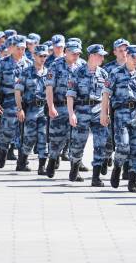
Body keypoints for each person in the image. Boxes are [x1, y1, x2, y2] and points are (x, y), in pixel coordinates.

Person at [101, 45, 136, 193]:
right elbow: (106, 94)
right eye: (134, 57)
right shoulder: (115, 73)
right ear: (127, 56)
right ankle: (117, 167)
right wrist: (104, 113)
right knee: (123, 146)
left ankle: (132, 181)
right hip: (121, 114)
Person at [66, 44, 110, 186]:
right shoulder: (77, 72)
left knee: (100, 144)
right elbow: (70, 95)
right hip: (82, 110)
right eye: (100, 55)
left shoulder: (103, 74)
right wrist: (71, 113)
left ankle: (95, 177)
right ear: (91, 56)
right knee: (78, 144)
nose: (102, 58)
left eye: (103, 55)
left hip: (98, 111)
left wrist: (106, 113)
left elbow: (107, 96)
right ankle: (75, 165)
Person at [0, 35, 32, 168]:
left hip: (26, 102)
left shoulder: (29, 64)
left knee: (25, 132)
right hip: (9, 101)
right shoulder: (2, 63)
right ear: (12, 48)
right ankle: (3, 150)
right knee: (7, 131)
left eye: (24, 48)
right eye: (19, 48)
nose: (21, 51)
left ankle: (22, 161)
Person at [45, 40, 84, 178]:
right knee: (57, 139)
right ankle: (52, 159)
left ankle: (75, 169)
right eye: (73, 53)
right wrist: (51, 106)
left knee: (77, 140)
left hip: (78, 109)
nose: (75, 56)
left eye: (78, 53)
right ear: (66, 51)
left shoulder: (82, 65)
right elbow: (49, 87)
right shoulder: (55, 65)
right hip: (60, 106)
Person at [15, 44, 50, 174]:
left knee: (43, 137)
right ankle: (22, 162)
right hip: (30, 109)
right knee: (29, 138)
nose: (43, 58)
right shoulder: (26, 72)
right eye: (40, 56)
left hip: (44, 110)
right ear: (34, 56)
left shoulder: (48, 72)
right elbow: (17, 91)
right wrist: (19, 109)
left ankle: (42, 166)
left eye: (45, 56)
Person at [102, 38, 130, 175]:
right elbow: (104, 93)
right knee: (108, 138)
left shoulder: (135, 67)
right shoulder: (108, 69)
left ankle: (125, 167)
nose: (124, 53)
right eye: (120, 50)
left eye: (126, 50)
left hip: (128, 111)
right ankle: (105, 158)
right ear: (115, 52)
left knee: (126, 140)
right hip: (112, 108)